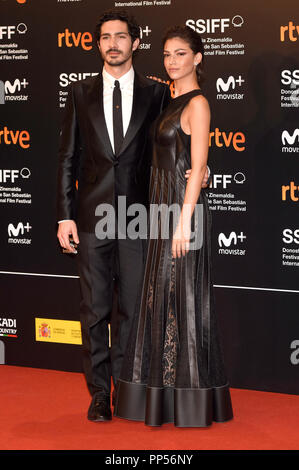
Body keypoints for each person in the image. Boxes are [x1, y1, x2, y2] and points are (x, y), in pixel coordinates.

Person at [56, 10, 210, 423]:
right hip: (91, 217)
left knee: (133, 310)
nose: (112, 44)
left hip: (140, 217)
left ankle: (126, 390)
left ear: (134, 44)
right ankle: (98, 394)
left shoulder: (157, 94)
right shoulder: (79, 93)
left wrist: (198, 168)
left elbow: (176, 140)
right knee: (94, 310)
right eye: (105, 37)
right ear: (98, 44)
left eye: (120, 37)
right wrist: (64, 216)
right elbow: (68, 158)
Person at [114, 25, 233, 427]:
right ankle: (160, 398)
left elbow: (198, 166)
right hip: (160, 211)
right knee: (158, 300)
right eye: (167, 54)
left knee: (182, 299)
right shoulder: (169, 98)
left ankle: (190, 400)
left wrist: (183, 224)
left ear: (197, 58)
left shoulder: (197, 104)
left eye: (180, 54)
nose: (172, 61)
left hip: (182, 215)